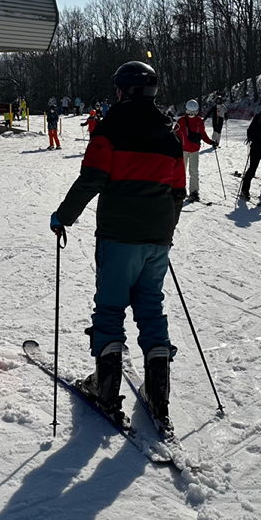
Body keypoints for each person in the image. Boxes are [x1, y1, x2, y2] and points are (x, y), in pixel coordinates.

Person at [50, 61, 185, 428]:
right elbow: (178, 193)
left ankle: (106, 389)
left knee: (110, 308)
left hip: (119, 236)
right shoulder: (169, 135)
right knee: (151, 308)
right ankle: (160, 396)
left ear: (123, 90)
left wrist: (63, 216)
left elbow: (92, 178)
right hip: (158, 239)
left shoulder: (109, 130)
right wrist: (164, 230)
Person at [174, 99, 214, 202]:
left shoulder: (199, 122)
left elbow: (203, 134)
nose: (191, 114)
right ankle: (179, 189)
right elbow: (174, 134)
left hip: (194, 150)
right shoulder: (181, 121)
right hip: (183, 150)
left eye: (193, 112)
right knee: (182, 172)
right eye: (189, 112)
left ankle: (194, 191)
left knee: (194, 172)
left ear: (197, 111)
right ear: (186, 111)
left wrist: (210, 142)